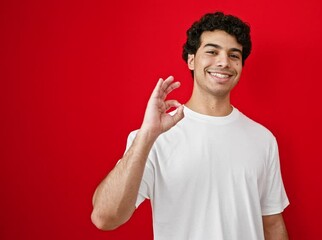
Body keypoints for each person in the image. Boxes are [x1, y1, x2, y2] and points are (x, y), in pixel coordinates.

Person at [91, 12, 290, 240]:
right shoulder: (153, 137)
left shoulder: (262, 139)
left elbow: (273, 224)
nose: (224, 62)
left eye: (233, 55)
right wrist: (147, 135)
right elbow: (105, 218)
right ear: (191, 60)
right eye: (212, 52)